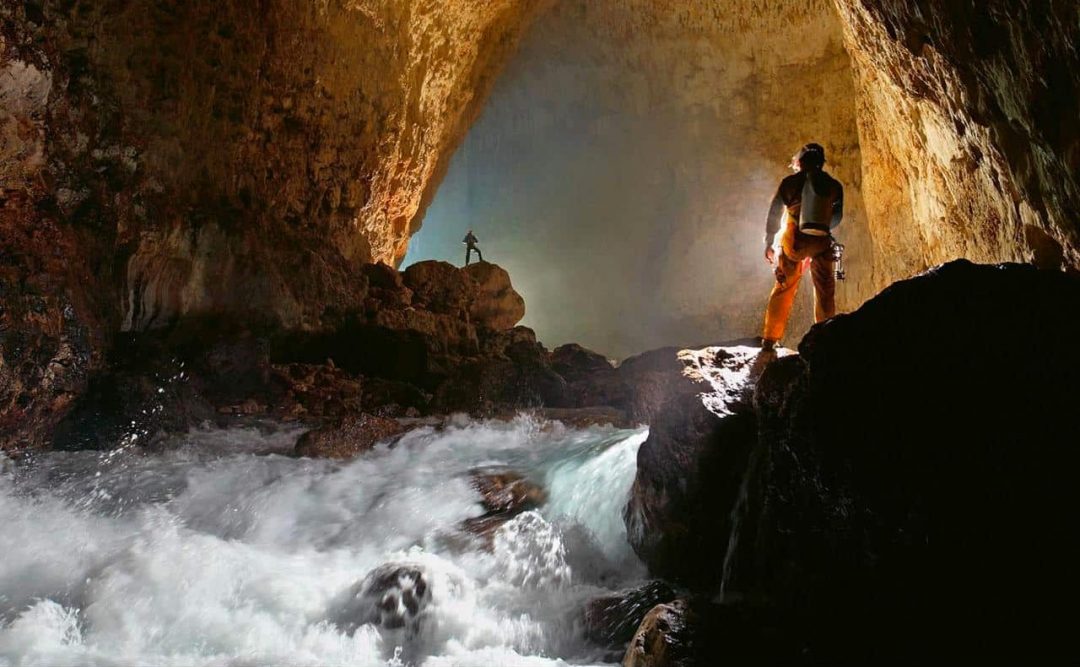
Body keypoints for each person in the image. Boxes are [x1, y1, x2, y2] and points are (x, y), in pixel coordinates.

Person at [760, 143, 844, 350]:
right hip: (822, 243)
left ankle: (770, 340)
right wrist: (820, 228)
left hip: (794, 243)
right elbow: (836, 217)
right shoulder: (834, 185)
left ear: (800, 162)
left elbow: (774, 213)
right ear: (821, 163)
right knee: (825, 290)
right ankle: (825, 340)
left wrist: (769, 242)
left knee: (784, 287)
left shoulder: (790, 183)